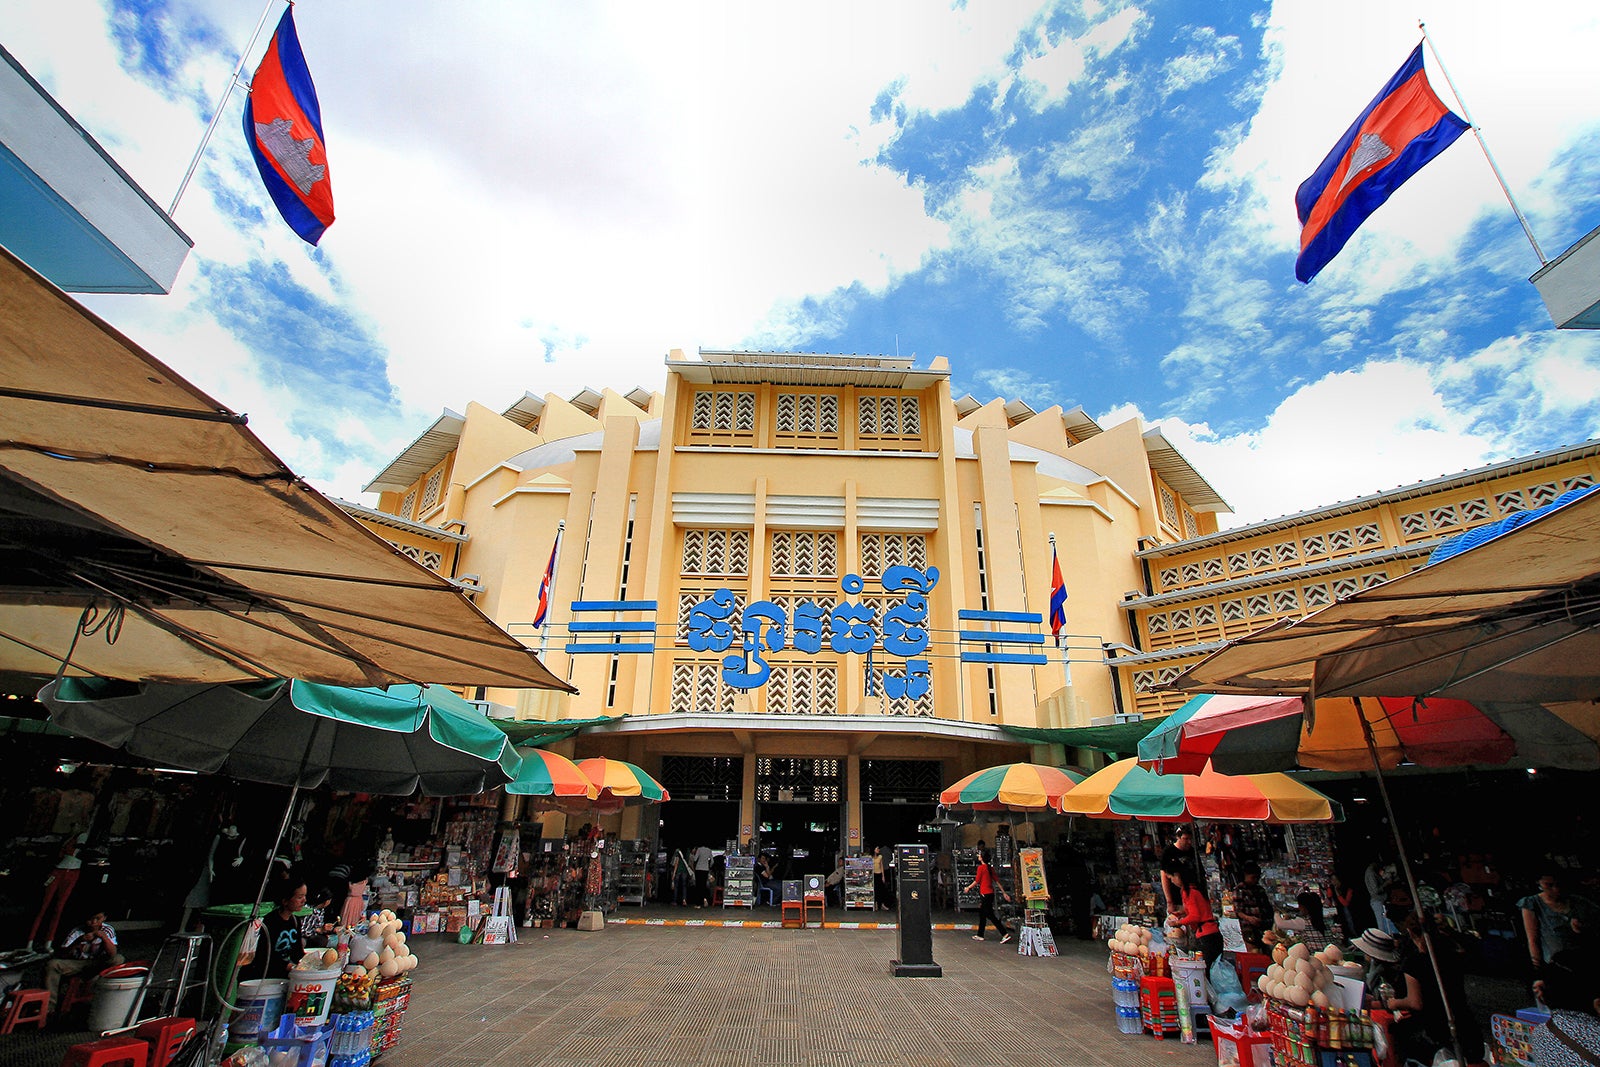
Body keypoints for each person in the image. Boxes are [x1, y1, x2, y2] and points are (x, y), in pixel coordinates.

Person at [1381, 913, 1485, 1065]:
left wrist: (1394, 1003)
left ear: (1410, 933)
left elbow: (1415, 1002)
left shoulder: (1415, 962)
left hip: (1435, 1028)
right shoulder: (1452, 954)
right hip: (1464, 1021)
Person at [44, 910, 122, 1014]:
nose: (94, 922)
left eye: (97, 919)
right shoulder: (77, 931)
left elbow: (112, 953)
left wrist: (104, 938)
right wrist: (78, 941)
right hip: (78, 963)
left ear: (104, 918)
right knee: (52, 964)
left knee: (118, 959)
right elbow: (63, 954)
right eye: (90, 919)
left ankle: (108, 996)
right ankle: (49, 1006)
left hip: (98, 963)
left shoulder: (108, 930)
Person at [1521, 872, 1597, 974]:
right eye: (1549, 885)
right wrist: (1537, 970)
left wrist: (1584, 926)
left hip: (1584, 955)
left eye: (1558, 884)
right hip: (1556, 962)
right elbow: (1532, 939)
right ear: (1539, 883)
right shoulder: (1532, 903)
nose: (1556, 889)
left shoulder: (1579, 901)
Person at [1168, 867, 1223, 969]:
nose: (1172, 881)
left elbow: (1195, 916)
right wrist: (1181, 913)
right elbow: (1198, 909)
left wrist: (1178, 923)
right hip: (1213, 932)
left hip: (1206, 935)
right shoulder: (1196, 889)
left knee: (1205, 970)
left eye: (1172, 877)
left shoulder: (1189, 892)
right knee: (1214, 969)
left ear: (1179, 877)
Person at [259, 880, 308, 980]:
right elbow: (264, 955)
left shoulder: (295, 921)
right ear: (285, 900)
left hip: (288, 976)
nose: (304, 900)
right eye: (299, 897)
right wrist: (287, 966)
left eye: (304, 896)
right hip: (268, 977)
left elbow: (298, 952)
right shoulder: (270, 922)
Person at [966, 847, 1012, 944]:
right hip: (990, 894)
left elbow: (977, 881)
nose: (978, 856)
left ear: (982, 857)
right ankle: (980, 934)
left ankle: (1004, 934)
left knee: (990, 915)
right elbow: (997, 881)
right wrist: (1004, 893)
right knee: (982, 914)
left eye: (979, 855)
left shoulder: (981, 868)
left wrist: (968, 888)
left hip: (985, 894)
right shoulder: (990, 868)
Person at [1232, 863, 1274, 952]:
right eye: (1253, 877)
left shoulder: (1260, 890)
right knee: (1254, 952)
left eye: (1257, 878)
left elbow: (1267, 907)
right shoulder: (1239, 890)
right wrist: (1250, 919)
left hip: (1263, 926)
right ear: (1246, 875)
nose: (1255, 880)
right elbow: (1238, 911)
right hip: (1248, 928)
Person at [1160, 828, 1198, 913]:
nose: (1189, 842)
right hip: (1176, 898)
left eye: (1190, 839)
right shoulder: (1168, 851)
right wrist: (1169, 901)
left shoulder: (1192, 851)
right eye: (1185, 839)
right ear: (1178, 837)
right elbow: (1164, 876)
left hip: (1192, 895)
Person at [689, 843, 713, 908]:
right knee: (703, 885)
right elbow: (712, 861)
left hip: (698, 869)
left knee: (698, 886)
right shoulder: (709, 850)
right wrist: (708, 866)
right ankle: (705, 899)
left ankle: (698, 904)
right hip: (706, 870)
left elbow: (695, 859)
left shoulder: (699, 849)